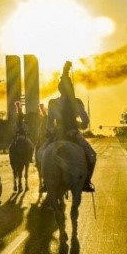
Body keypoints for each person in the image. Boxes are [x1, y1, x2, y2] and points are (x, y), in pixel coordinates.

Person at [46, 61, 97, 192]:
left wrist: (52, 131)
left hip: (58, 136)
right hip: (74, 134)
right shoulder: (76, 102)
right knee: (91, 155)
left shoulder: (53, 104)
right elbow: (86, 121)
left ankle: (45, 182)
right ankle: (86, 182)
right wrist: (81, 124)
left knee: (43, 154)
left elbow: (49, 125)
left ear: (59, 89)